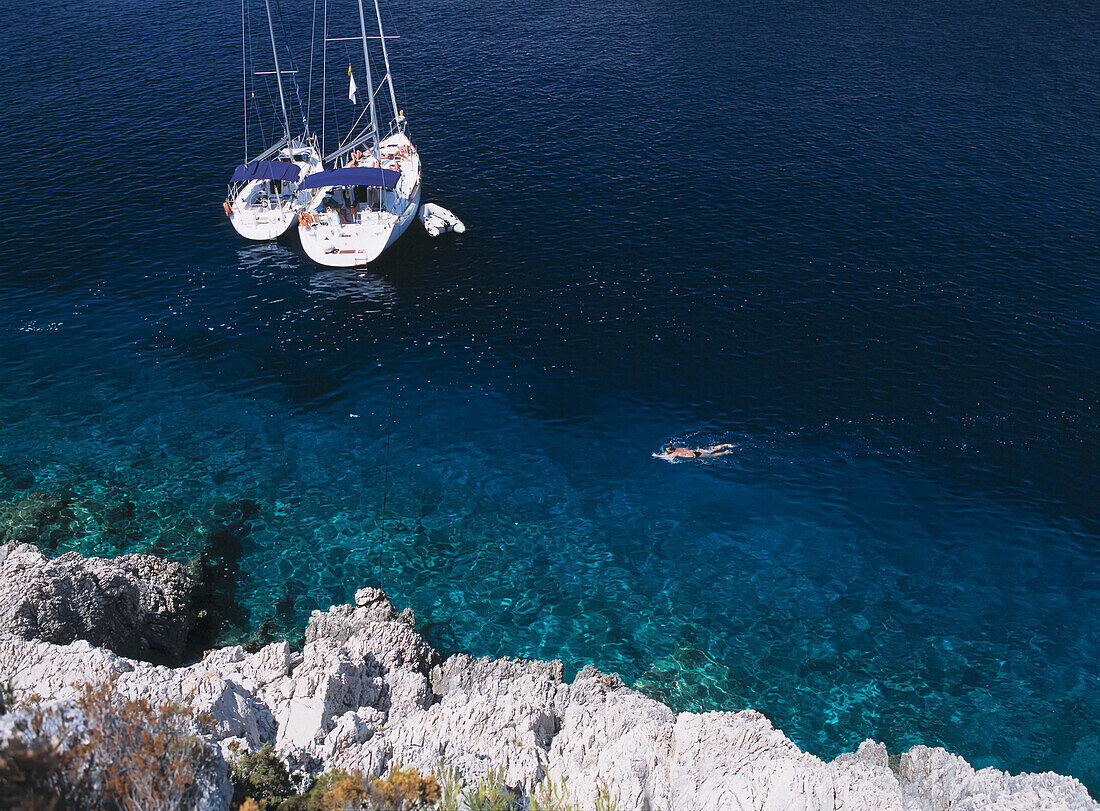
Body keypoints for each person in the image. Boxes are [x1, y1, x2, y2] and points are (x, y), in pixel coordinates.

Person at [653, 443, 737, 461]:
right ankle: (726, 445)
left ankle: (726, 452)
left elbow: (668, 457)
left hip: (696, 454)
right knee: (712, 449)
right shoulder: (679, 448)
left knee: (713, 455)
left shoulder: (676, 453)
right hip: (697, 450)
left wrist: (657, 455)